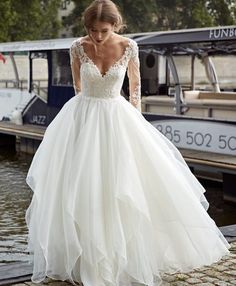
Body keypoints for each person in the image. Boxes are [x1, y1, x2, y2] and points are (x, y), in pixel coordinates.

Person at [25, 0, 231, 285]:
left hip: (118, 118)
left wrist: (135, 130)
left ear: (116, 25)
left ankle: (123, 257)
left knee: (123, 186)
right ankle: (87, 258)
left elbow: (135, 92)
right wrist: (81, 127)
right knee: (84, 187)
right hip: (83, 118)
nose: (98, 36)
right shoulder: (77, 47)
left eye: (104, 30)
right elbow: (78, 88)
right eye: (93, 30)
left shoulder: (129, 47)